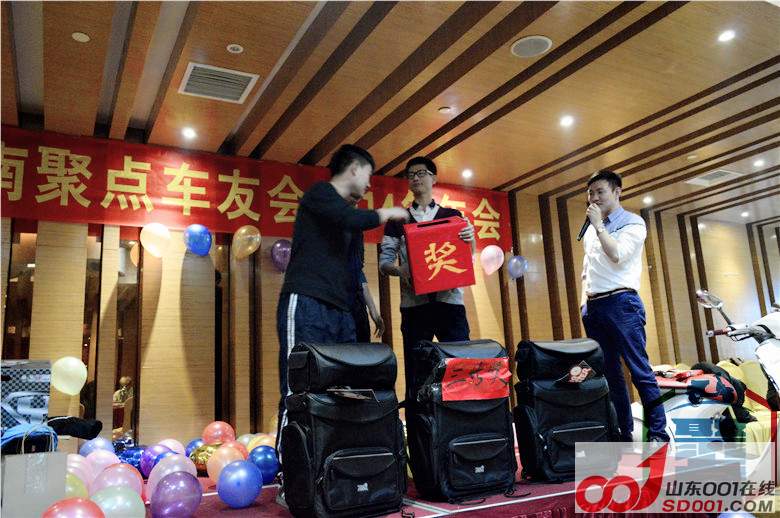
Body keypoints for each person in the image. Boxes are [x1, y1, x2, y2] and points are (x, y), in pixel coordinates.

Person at [275, 144, 408, 450]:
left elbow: (354, 270)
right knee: (299, 384)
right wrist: (387, 212)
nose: (369, 184)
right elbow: (351, 219)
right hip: (306, 301)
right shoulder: (320, 194)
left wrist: (368, 311)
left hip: (341, 311)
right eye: (368, 175)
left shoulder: (349, 220)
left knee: (342, 386)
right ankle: (291, 462)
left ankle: (334, 457)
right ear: (354, 168)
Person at [579, 169, 668, 443]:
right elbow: (587, 270)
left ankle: (658, 433)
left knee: (639, 369)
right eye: (590, 193)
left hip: (622, 303)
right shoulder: (591, 230)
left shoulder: (633, 222)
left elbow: (617, 254)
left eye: (600, 192)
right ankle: (623, 431)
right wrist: (584, 304)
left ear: (617, 192)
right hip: (594, 306)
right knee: (610, 374)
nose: (594, 198)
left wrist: (599, 226)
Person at [379, 156, 475, 403]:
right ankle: (418, 425)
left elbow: (467, 257)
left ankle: (460, 420)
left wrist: (470, 239)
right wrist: (400, 271)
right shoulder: (398, 220)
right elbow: (384, 263)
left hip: (450, 304)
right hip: (415, 307)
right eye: (411, 175)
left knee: (459, 368)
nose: (415, 178)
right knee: (417, 373)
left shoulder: (452, 215)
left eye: (421, 173)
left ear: (434, 178)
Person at [347, 226, 385, 342]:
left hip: (356, 303)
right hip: (335, 304)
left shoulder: (356, 231)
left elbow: (359, 274)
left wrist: (374, 312)